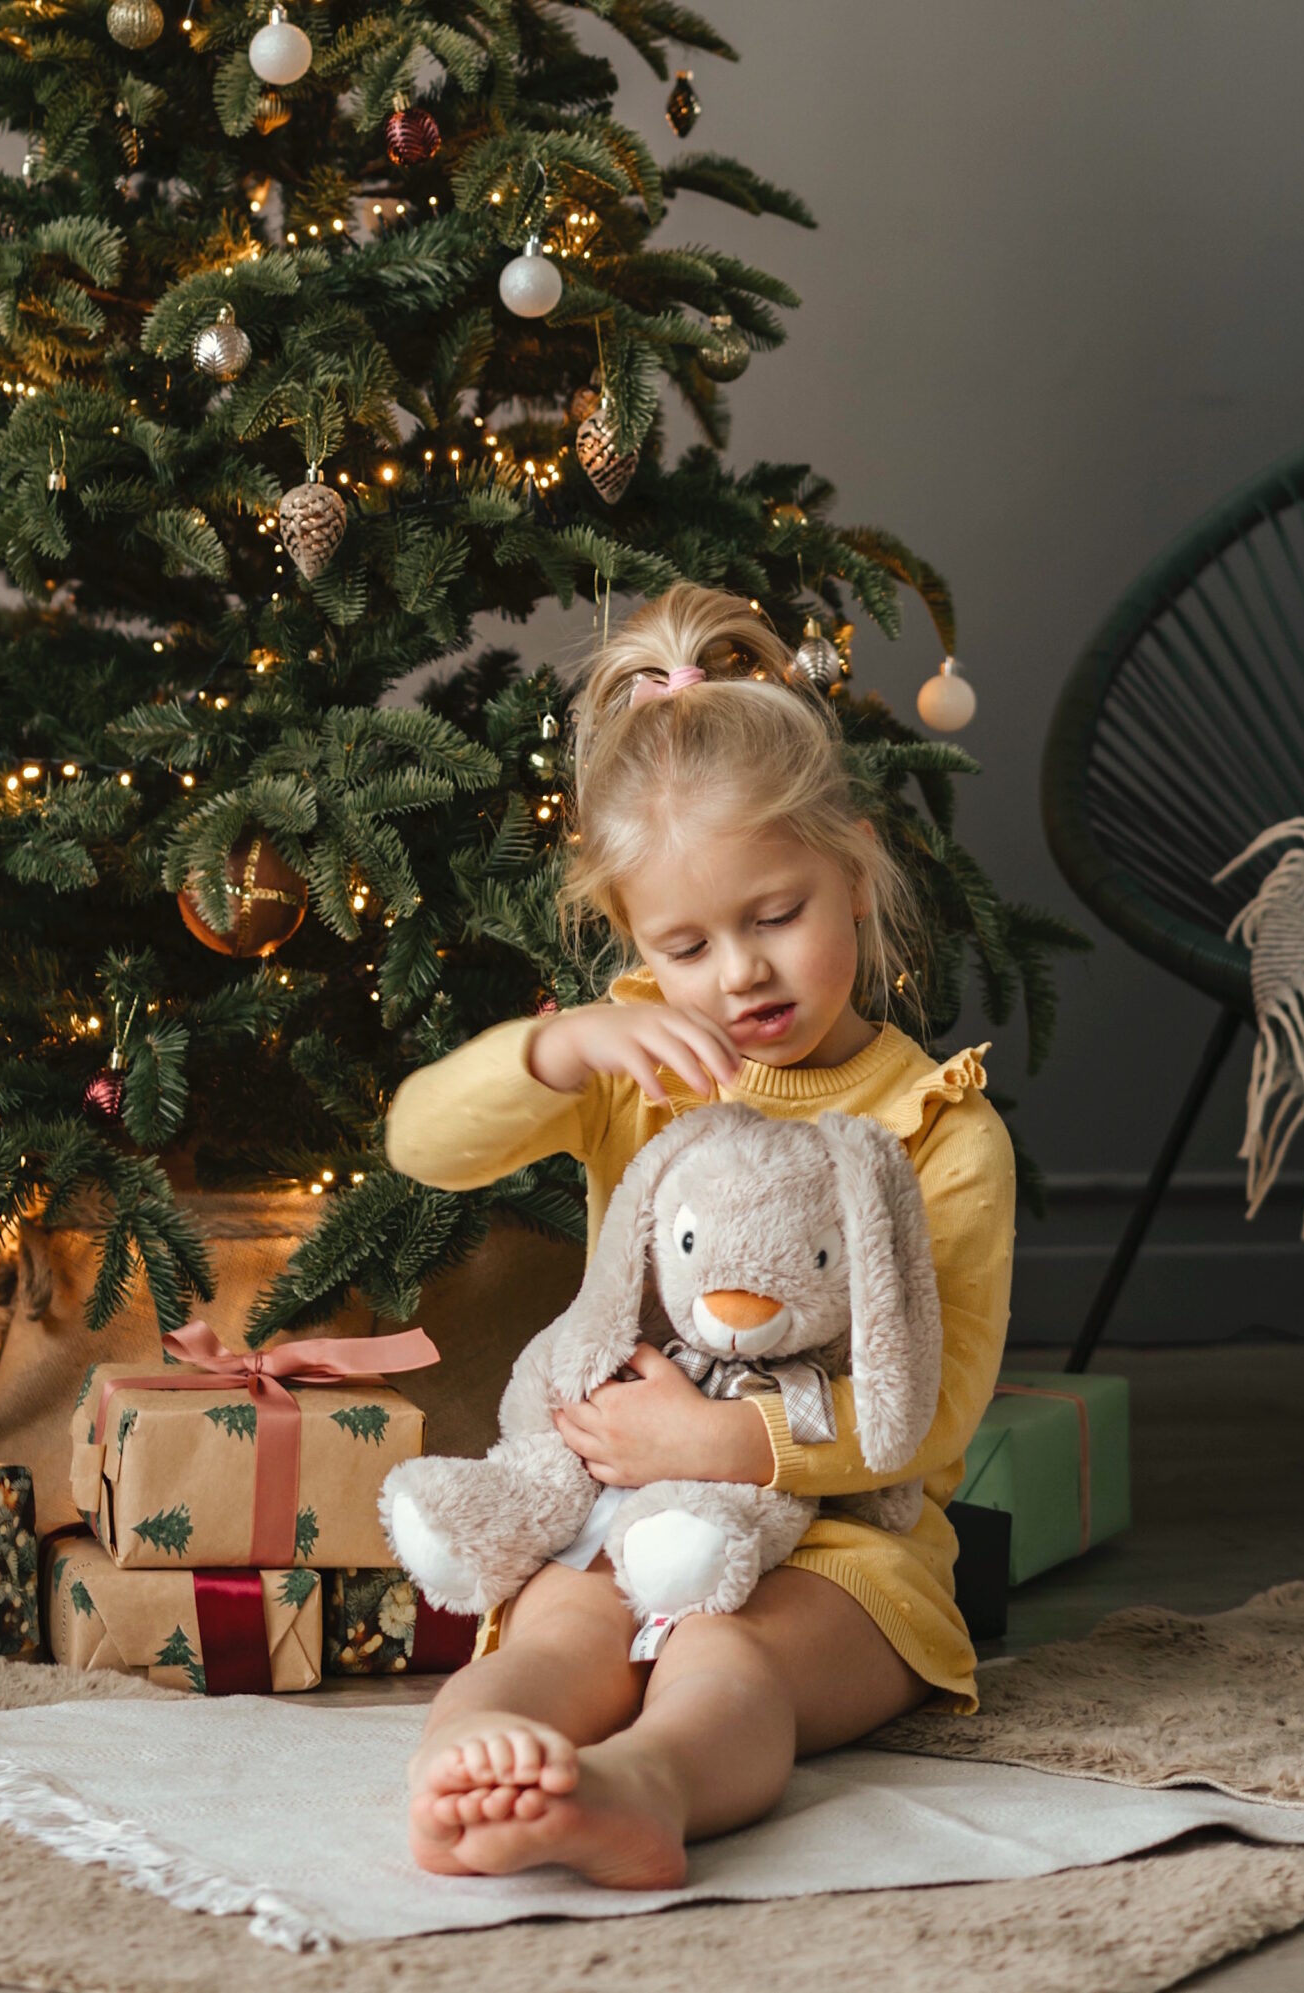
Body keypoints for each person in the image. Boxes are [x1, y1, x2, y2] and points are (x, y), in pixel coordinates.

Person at [383, 584, 1016, 1888]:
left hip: (847, 1549)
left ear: (853, 861)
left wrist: (729, 1439)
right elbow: (420, 1142)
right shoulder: (636, 1064)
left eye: (775, 914)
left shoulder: (935, 1127)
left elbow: (936, 1416)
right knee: (556, 1638)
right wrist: (559, 1047)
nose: (739, 975)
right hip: (621, 1509)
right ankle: (478, 1769)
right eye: (684, 942)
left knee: (733, 1659)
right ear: (633, 943)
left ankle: (639, 1788)